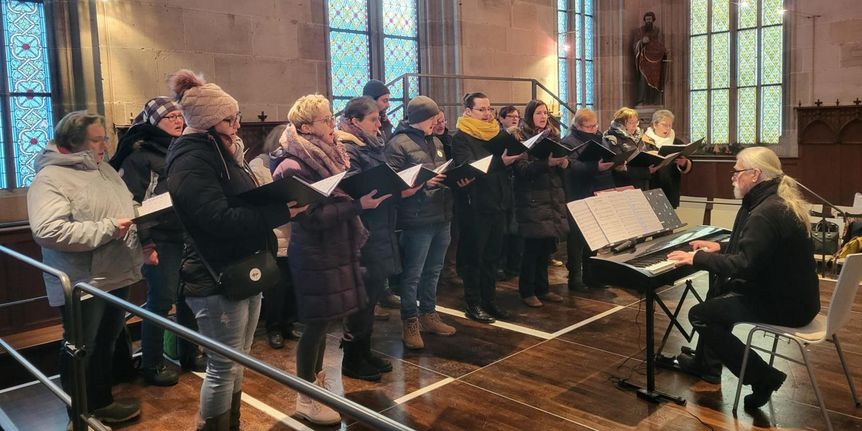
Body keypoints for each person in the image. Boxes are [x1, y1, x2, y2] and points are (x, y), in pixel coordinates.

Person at [165, 70, 303, 430]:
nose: (237, 125)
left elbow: (239, 201)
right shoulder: (190, 157)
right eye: (229, 119)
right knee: (223, 366)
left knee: (239, 361)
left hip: (243, 265)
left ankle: (233, 424)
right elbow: (215, 217)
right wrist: (277, 212)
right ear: (209, 122)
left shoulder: (223, 151)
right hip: (215, 274)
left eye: (236, 117)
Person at [667, 146, 820, 409]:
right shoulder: (773, 201)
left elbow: (745, 265)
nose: (732, 177)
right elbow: (759, 251)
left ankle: (762, 377)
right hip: (796, 297)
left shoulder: (765, 212)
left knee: (701, 314)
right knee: (717, 294)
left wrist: (697, 258)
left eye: (736, 171)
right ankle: (706, 363)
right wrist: (721, 247)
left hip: (785, 305)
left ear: (755, 174)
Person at [28, 111, 152, 428]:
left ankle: (100, 403)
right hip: (83, 279)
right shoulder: (50, 178)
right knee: (81, 347)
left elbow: (122, 208)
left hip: (114, 272)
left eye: (104, 138)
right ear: (74, 143)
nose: (105, 145)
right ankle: (78, 414)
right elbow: (49, 231)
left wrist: (146, 218)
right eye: (97, 140)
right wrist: (110, 228)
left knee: (107, 342)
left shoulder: (104, 170)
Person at [272, 94, 387, 425]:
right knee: (315, 326)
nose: (331, 124)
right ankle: (305, 394)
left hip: (335, 247)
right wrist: (358, 206)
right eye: (325, 119)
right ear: (306, 127)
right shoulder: (292, 164)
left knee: (324, 325)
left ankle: (317, 385)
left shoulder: (329, 153)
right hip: (314, 250)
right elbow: (310, 218)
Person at [110, 97, 200, 386]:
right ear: (152, 122)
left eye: (179, 115)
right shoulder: (140, 155)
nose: (177, 120)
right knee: (160, 301)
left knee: (188, 298)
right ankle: (152, 363)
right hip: (159, 239)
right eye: (169, 116)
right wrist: (146, 243)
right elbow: (131, 204)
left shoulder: (182, 150)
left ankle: (189, 352)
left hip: (186, 235)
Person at [337, 96, 418, 381]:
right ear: (355, 121)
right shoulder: (348, 147)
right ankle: (352, 359)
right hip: (364, 229)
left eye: (379, 118)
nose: (379, 123)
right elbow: (356, 186)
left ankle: (364, 351)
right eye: (373, 119)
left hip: (380, 226)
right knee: (360, 300)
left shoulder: (372, 144)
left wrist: (398, 187)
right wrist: (395, 190)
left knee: (371, 297)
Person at [386, 96, 466, 349]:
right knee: (413, 274)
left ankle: (429, 314)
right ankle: (410, 321)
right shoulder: (398, 144)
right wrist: (423, 184)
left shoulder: (435, 140)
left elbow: (440, 170)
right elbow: (393, 185)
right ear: (422, 118)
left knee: (434, 270)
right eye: (434, 118)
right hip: (417, 218)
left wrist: (456, 179)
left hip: (442, 214)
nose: (438, 123)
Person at [453, 92, 524, 322]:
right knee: (475, 257)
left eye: (489, 109)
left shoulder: (497, 133)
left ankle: (489, 300)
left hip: (498, 202)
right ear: (468, 111)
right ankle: (472, 303)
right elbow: (469, 169)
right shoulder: (461, 137)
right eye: (481, 109)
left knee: (493, 256)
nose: (487, 114)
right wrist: (499, 162)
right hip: (476, 205)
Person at [248, 124, 301, 349]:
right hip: (274, 233)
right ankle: (274, 328)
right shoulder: (259, 165)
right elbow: (258, 198)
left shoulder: (294, 164)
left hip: (294, 232)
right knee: (275, 287)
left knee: (291, 284)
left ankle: (288, 323)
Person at [512, 100, 570, 307]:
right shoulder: (520, 138)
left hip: (551, 196)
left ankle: (543, 288)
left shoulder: (553, 136)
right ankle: (527, 291)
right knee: (532, 248)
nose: (543, 116)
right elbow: (522, 170)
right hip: (532, 198)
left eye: (545, 113)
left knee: (546, 246)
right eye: (538, 113)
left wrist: (564, 163)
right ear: (529, 116)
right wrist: (547, 163)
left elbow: (559, 167)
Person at [561, 108, 616, 290]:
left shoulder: (599, 138)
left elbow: (607, 156)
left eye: (595, 125)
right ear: (577, 125)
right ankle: (575, 278)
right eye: (589, 126)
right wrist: (595, 167)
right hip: (577, 192)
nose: (593, 129)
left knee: (594, 236)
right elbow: (571, 166)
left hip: (596, 190)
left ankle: (591, 275)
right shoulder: (568, 142)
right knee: (576, 239)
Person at [641, 109, 691, 208]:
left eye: (670, 125)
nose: (668, 128)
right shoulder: (644, 142)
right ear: (655, 125)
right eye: (664, 125)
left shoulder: (677, 142)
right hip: (650, 186)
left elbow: (687, 163)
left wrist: (684, 163)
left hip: (670, 188)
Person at [496, 105, 524, 281]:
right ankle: (501, 264)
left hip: (517, 185)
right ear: (501, 118)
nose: (515, 119)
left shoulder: (520, 135)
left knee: (515, 228)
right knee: (503, 230)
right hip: (502, 186)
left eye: (517, 116)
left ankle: (514, 265)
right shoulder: (498, 136)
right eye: (511, 116)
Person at [603, 107, 654, 190]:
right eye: (631, 123)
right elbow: (618, 167)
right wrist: (646, 171)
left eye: (636, 122)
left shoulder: (639, 136)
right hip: (624, 184)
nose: (635, 125)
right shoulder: (612, 138)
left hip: (643, 182)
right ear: (620, 124)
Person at [632, 11, 666, 105]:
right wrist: (641, 42)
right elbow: (634, 45)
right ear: (644, 20)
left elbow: (662, 45)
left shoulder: (658, 31)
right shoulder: (640, 31)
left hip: (656, 62)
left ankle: (654, 101)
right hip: (644, 61)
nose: (648, 21)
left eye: (650, 19)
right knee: (643, 80)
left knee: (655, 82)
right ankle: (642, 100)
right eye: (647, 19)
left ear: (653, 20)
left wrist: (658, 48)